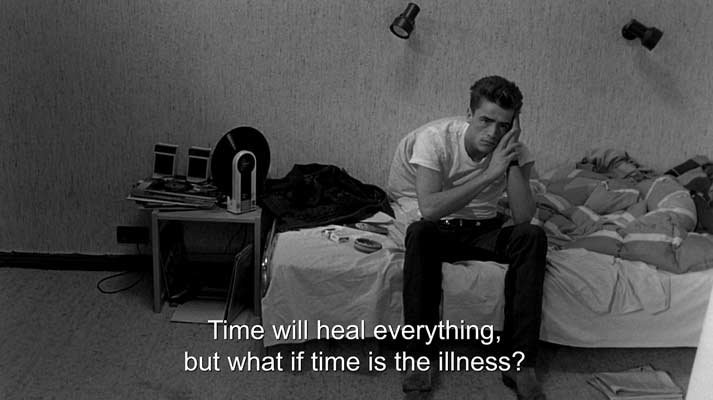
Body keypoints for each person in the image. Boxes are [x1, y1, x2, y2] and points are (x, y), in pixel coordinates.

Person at [387, 76, 547, 400]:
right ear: (469, 114)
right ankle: (420, 357)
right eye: (486, 120)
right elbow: (430, 209)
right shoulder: (435, 139)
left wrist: (510, 160)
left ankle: (520, 363)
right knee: (419, 232)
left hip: (485, 229)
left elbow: (522, 216)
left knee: (532, 236)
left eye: (504, 125)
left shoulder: (515, 152)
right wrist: (489, 174)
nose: (493, 133)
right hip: (440, 228)